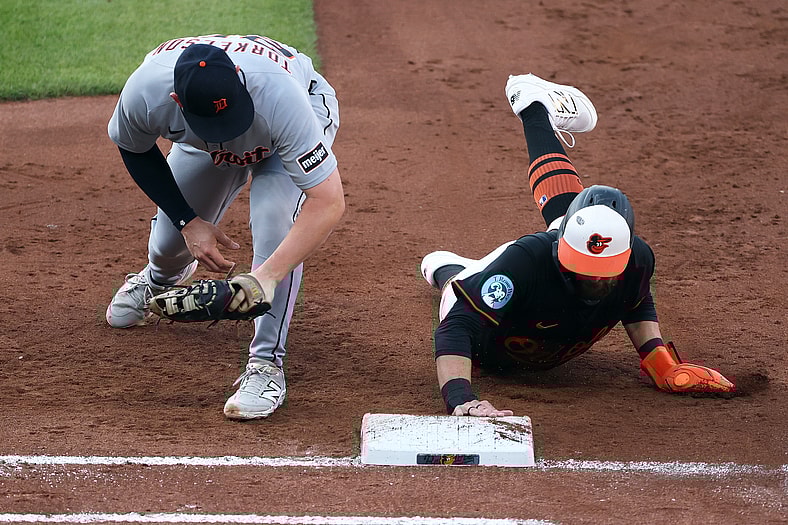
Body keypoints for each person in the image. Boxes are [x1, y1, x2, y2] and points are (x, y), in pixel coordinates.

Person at [420, 73, 735, 417]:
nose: (592, 280)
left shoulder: (636, 260)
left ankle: (533, 107)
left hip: (548, 269)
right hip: (494, 333)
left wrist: (662, 363)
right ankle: (444, 269)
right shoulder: (528, 260)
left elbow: (635, 297)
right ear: (561, 252)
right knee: (457, 288)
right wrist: (461, 400)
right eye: (582, 270)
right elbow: (457, 327)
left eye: (603, 274)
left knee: (572, 218)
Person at [105, 34, 345, 421]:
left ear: (238, 78)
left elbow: (328, 201)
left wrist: (265, 277)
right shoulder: (146, 90)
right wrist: (188, 222)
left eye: (229, 116)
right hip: (203, 142)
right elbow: (134, 148)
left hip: (288, 123)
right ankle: (158, 277)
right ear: (177, 102)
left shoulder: (281, 97)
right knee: (167, 243)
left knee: (274, 221)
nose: (227, 131)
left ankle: (267, 365)